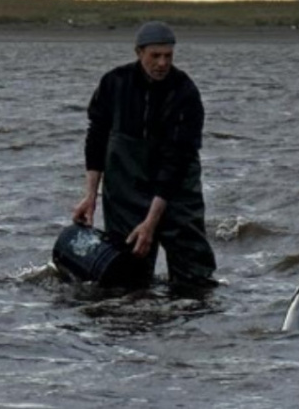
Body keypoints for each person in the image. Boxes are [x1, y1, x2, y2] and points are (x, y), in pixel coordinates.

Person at [71, 21, 217, 291]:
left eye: (168, 56)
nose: (162, 63)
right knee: (127, 279)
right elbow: (97, 139)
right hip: (125, 191)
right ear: (139, 53)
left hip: (176, 192)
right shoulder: (114, 83)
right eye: (155, 56)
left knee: (194, 281)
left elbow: (177, 160)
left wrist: (151, 222)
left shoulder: (185, 92)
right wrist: (90, 195)